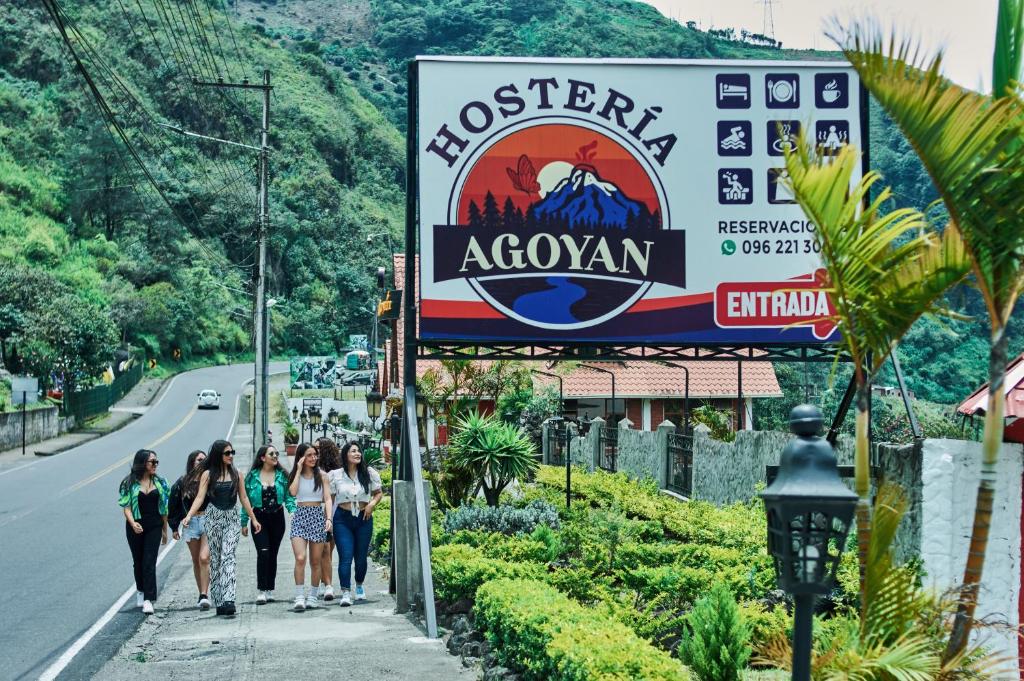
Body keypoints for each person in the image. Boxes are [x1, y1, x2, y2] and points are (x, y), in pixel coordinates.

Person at [183, 440, 261, 616]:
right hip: (213, 518)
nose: (231, 456)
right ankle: (219, 600)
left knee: (228, 556)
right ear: (219, 455)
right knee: (216, 560)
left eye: (232, 452)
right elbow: (200, 498)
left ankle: (229, 599)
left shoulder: (238, 474)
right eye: (227, 453)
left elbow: (244, 498)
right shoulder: (208, 475)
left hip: (231, 517)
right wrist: (188, 515)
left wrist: (253, 519)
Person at [328, 441, 383, 606]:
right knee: (345, 556)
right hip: (342, 519)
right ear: (346, 454)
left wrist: (372, 505)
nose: (357, 454)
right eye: (353, 451)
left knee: (360, 558)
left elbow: (378, 493)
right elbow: (329, 499)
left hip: (363, 519)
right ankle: (345, 591)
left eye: (359, 451)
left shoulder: (369, 473)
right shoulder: (335, 475)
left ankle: (359, 585)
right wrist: (328, 519)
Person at [118, 449, 170, 615]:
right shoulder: (129, 484)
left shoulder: (161, 483)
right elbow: (126, 507)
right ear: (142, 463)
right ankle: (140, 590)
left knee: (149, 560)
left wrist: (164, 530)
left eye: (156, 462)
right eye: (152, 462)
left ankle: (149, 599)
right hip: (135, 526)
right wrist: (133, 523)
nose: (155, 465)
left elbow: (163, 508)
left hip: (154, 525)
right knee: (138, 561)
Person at [241, 445, 294, 604]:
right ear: (263, 458)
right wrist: (244, 521)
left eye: (276, 453)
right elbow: (246, 500)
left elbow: (289, 497)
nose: (275, 456)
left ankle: (270, 588)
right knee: (263, 552)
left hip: (277, 518)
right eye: (272, 454)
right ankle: (261, 589)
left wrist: (292, 511)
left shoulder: (283, 476)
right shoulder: (251, 477)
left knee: (273, 554)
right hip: (258, 518)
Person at [287, 442, 332, 611]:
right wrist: (298, 470)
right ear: (301, 458)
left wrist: (329, 518)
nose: (313, 458)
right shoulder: (295, 474)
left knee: (315, 561)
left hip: (316, 516)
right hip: (300, 515)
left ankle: (313, 595)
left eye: (315, 454)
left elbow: (327, 498)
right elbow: (292, 492)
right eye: (309, 455)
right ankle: (299, 596)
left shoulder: (322, 475)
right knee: (300, 558)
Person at [168, 450, 212, 610]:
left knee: (204, 558)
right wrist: (174, 527)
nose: (202, 461)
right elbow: (173, 504)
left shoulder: (210, 479)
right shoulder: (182, 482)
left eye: (204, 459)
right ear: (192, 462)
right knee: (196, 560)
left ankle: (205, 594)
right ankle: (202, 593)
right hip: (191, 523)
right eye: (199, 459)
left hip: (208, 519)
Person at [313, 437, 341, 602]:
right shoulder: (314, 469)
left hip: (337, 513)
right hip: (323, 513)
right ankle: (326, 584)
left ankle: (327, 582)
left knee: (332, 550)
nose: (315, 451)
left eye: (318, 448)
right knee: (324, 550)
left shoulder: (337, 471)